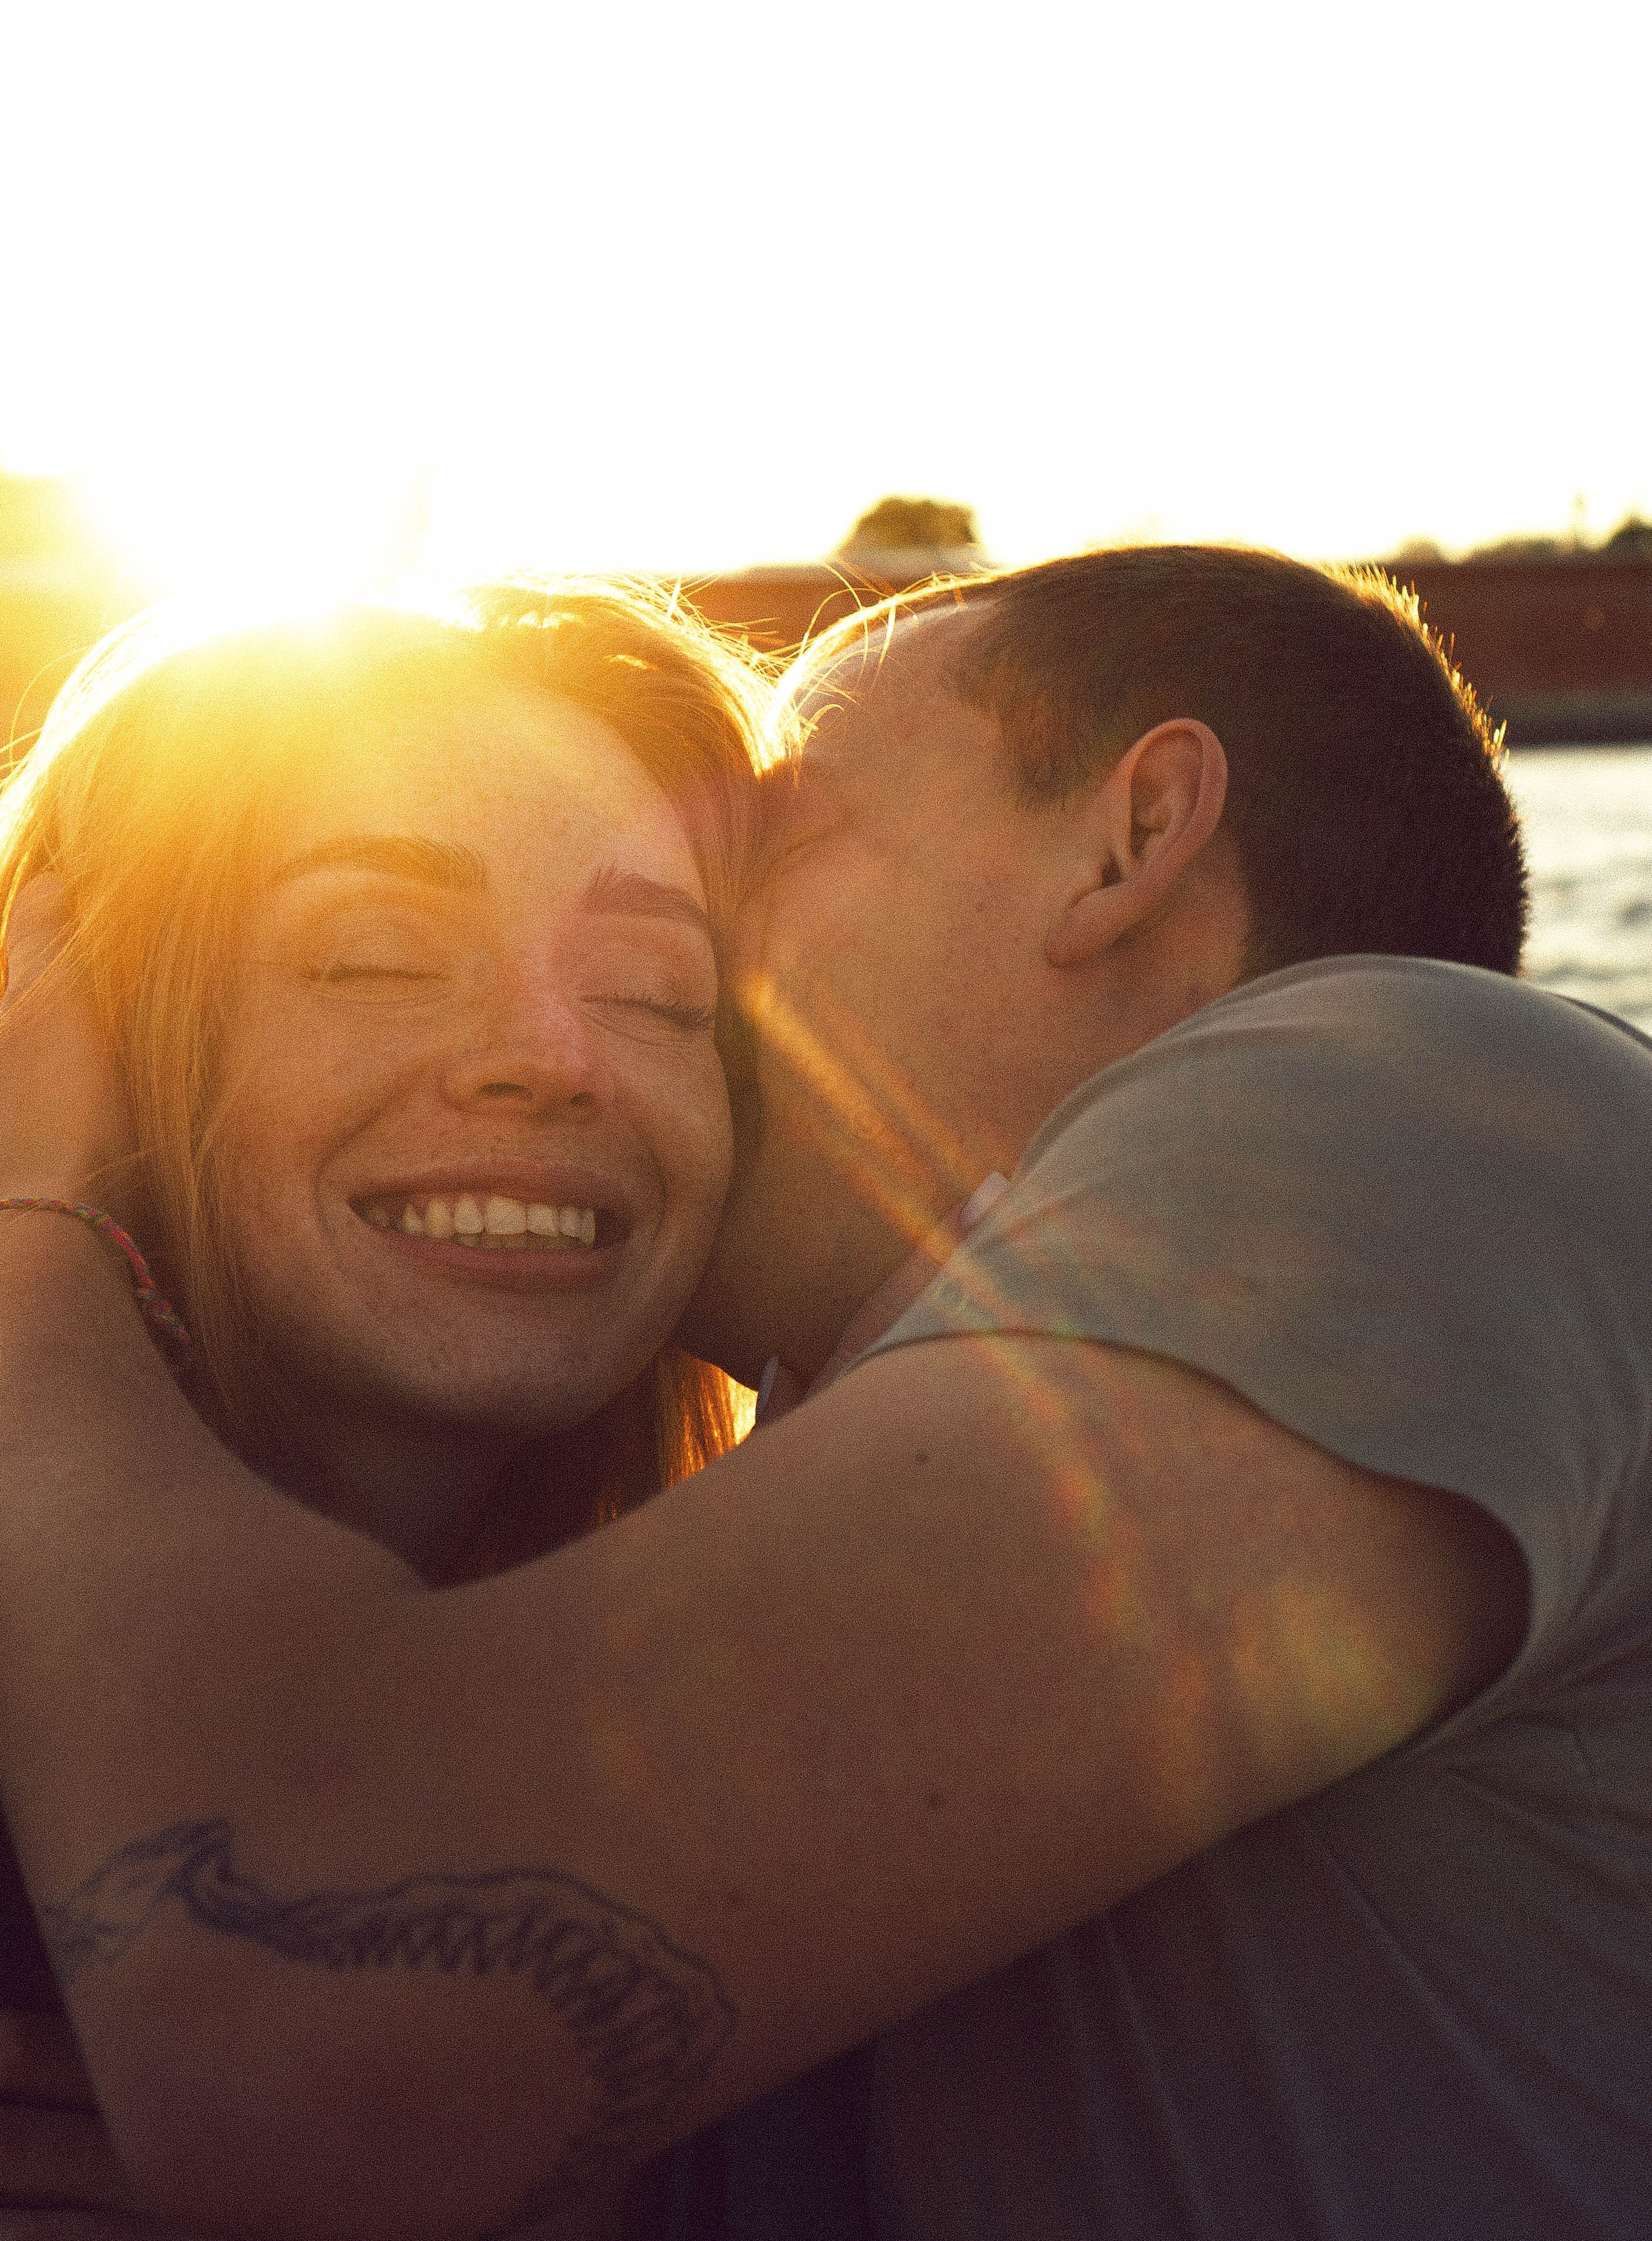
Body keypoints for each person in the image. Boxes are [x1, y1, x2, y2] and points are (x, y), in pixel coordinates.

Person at [2, 545, 1651, 2240]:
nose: (588, 1045)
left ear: (1132, 840)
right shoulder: (752, 1574)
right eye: (372, 957)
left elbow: (327, 2049)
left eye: (761, 856)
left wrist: (33, 1227)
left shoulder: (1411, 1112)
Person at [0, 574, 774, 2231]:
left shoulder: (808, 1759)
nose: (550, 1055)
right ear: (83, 1046)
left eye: (657, 993)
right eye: (372, 958)